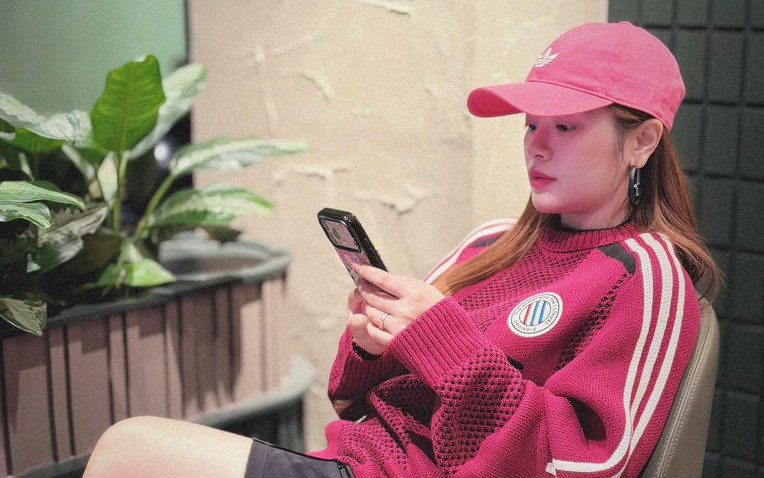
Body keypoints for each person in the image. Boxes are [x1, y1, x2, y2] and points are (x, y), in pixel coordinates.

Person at [83, 21, 720, 478]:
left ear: (642, 141)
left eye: (566, 126)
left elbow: (586, 466)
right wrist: (370, 346)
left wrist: (447, 345)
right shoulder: (492, 244)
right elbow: (351, 400)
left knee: (129, 450)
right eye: (531, 124)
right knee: (127, 449)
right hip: (355, 460)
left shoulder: (648, 278)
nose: (536, 144)